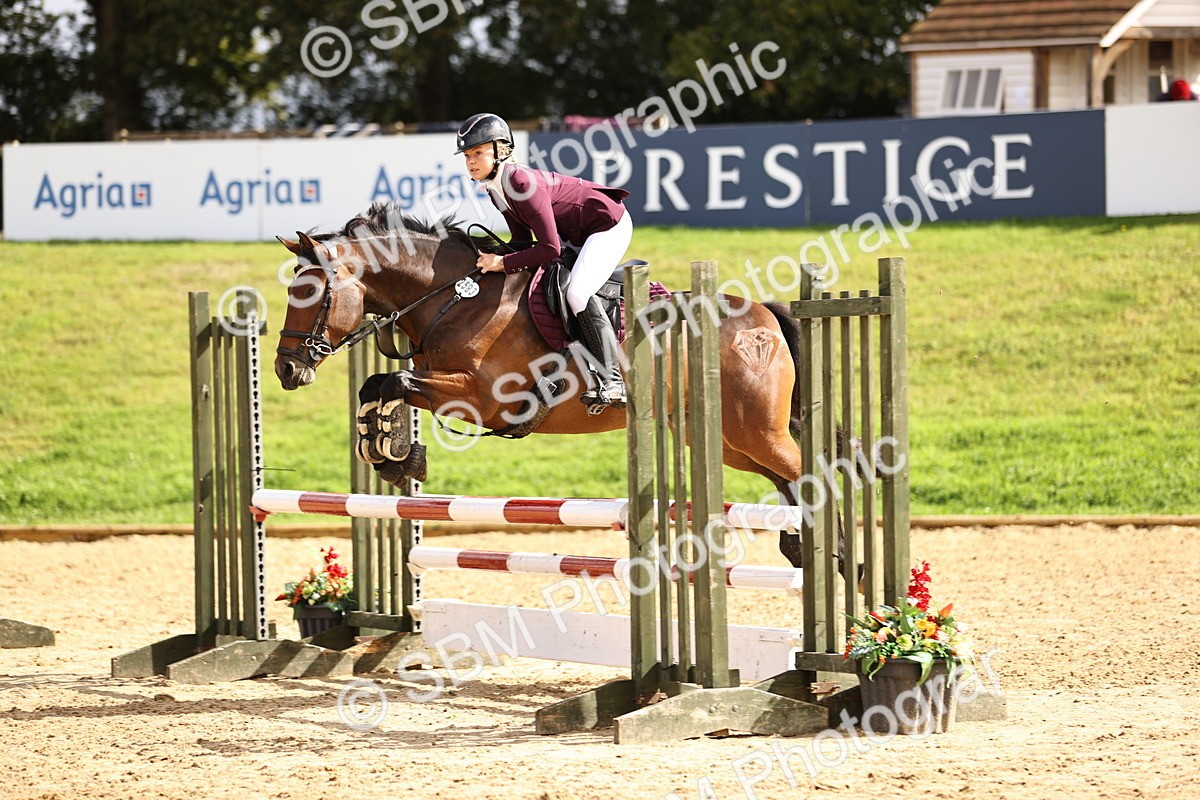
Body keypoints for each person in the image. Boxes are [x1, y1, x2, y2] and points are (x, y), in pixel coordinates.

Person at [455, 112, 633, 409]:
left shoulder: (521, 182)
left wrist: (502, 263)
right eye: (467, 155)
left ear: (501, 151)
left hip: (608, 226)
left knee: (577, 293)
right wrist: (488, 255)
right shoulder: (496, 190)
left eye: (478, 153)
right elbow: (523, 242)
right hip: (579, 233)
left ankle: (613, 381)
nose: (471, 161)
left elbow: (549, 248)